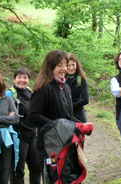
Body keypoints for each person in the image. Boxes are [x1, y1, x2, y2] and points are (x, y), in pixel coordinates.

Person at [27, 50, 93, 184]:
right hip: (49, 146)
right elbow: (32, 115)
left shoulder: (65, 88)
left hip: (66, 144)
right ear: (50, 67)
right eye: (59, 65)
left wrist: (80, 126)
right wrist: (56, 126)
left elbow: (69, 116)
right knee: (53, 180)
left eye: (65, 64)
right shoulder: (44, 88)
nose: (64, 68)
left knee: (68, 179)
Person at [5, 68, 41, 184]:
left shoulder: (30, 92)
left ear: (28, 80)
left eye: (25, 78)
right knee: (17, 170)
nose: (22, 80)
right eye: (19, 77)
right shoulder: (10, 94)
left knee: (36, 168)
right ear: (14, 79)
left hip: (32, 136)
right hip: (18, 137)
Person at [65, 53, 89, 123]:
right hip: (64, 114)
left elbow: (85, 99)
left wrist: (71, 107)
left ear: (76, 65)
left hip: (78, 114)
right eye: (69, 65)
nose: (71, 68)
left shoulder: (80, 79)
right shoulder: (61, 79)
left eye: (73, 65)